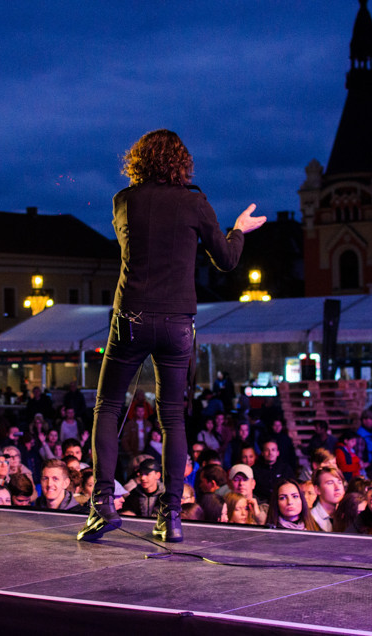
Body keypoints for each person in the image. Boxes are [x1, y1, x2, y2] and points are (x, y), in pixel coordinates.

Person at [79, 129, 264, 544]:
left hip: (131, 316)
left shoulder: (123, 201)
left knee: (108, 408)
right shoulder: (194, 202)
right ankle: (171, 518)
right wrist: (237, 229)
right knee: (173, 418)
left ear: (138, 161)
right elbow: (227, 260)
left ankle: (103, 505)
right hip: (178, 322)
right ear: (182, 163)